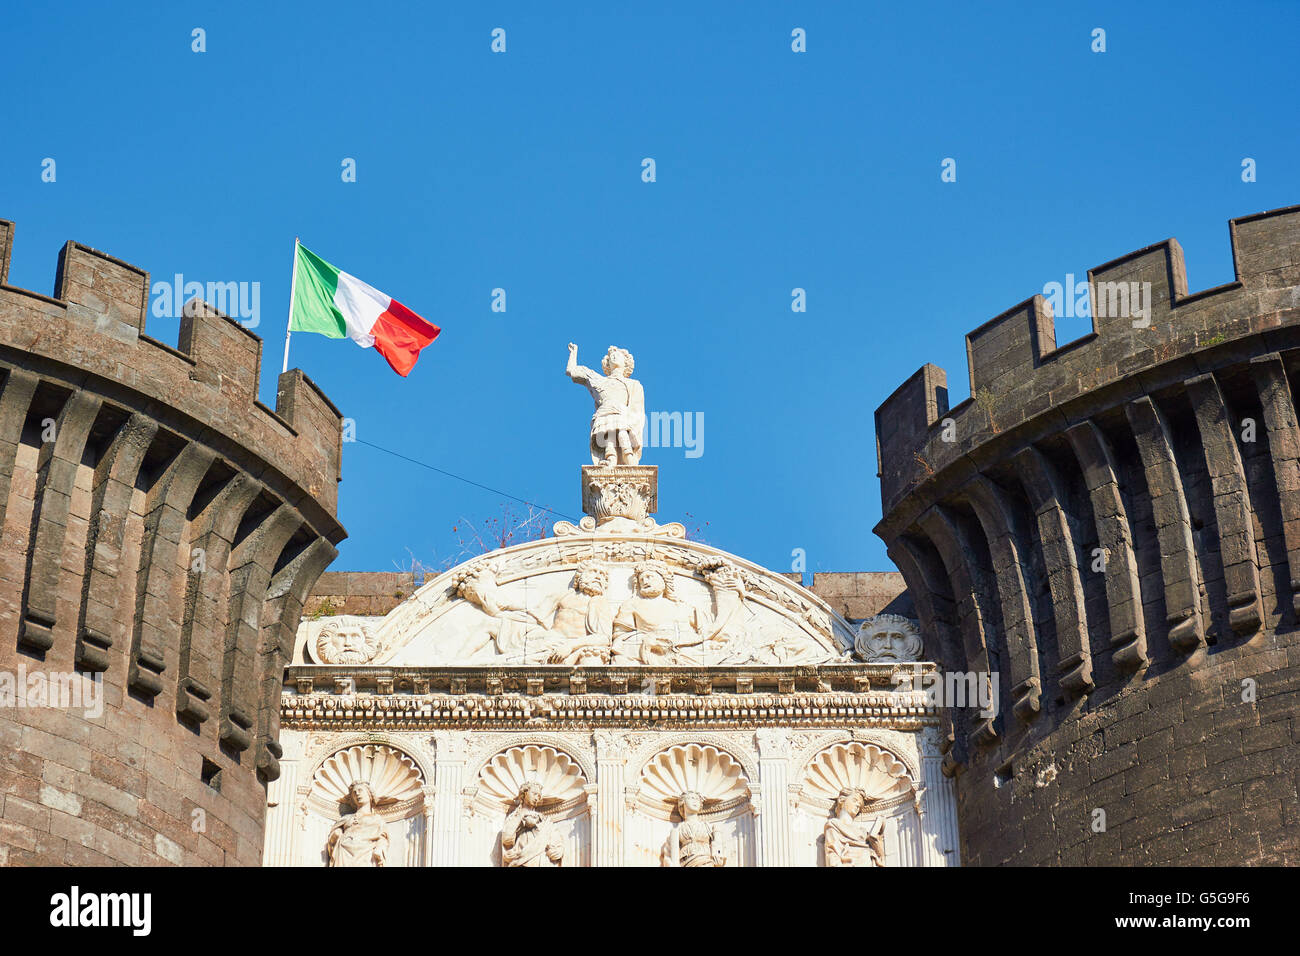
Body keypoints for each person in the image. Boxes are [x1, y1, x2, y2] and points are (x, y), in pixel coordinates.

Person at [567, 343, 645, 467]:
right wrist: (573, 353)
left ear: (626, 363)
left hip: (621, 414)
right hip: (604, 413)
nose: (614, 357)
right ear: (607, 364)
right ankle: (611, 458)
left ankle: (629, 456)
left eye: (618, 356)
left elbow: (637, 410)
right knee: (608, 435)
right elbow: (572, 371)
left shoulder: (633, 385)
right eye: (611, 357)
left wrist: (628, 416)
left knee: (622, 433)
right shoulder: (599, 380)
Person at [325, 781, 389, 867]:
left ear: (370, 794)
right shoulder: (346, 818)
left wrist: (379, 848)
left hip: (366, 853)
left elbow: (383, 838)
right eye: (354, 793)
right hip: (344, 852)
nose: (357, 794)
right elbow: (332, 840)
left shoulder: (377, 819)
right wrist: (336, 834)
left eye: (360, 790)